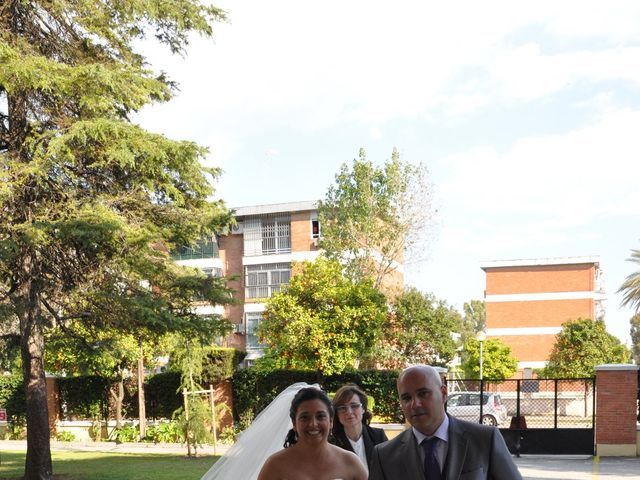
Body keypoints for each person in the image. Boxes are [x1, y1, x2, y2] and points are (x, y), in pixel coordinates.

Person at [369, 365, 522, 480]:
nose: (414, 404)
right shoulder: (384, 455)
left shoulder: (485, 439)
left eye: (423, 393)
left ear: (443, 393)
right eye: (406, 398)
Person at [257, 386, 367, 480]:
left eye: (320, 416)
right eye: (305, 417)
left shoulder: (349, 461)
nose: (313, 424)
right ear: (294, 423)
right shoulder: (275, 464)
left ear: (331, 421)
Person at [331, 384, 388, 472]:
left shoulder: (378, 436)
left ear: (363, 409)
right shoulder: (332, 442)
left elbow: (390, 468)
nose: (349, 412)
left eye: (354, 406)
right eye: (342, 408)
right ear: (337, 413)